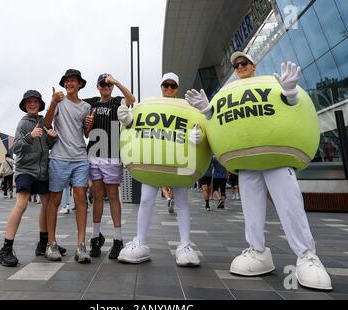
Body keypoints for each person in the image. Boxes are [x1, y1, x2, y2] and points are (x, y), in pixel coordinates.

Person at [185, 52, 332, 290]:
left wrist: (291, 92)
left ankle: (307, 255)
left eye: (244, 63)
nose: (240, 67)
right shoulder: (227, 94)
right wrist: (207, 112)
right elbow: (219, 122)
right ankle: (257, 250)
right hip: (246, 161)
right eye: (236, 65)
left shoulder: (271, 84)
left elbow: (290, 105)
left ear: (254, 65)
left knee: (289, 205)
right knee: (250, 207)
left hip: (276, 156)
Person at [116, 72, 202, 267]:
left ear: (177, 88)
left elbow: (200, 125)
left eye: (172, 86)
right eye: (166, 85)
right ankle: (141, 241)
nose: (169, 89)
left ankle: (185, 244)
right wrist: (127, 121)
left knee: (182, 202)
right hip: (152, 163)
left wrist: (199, 134)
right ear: (161, 86)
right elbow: (137, 127)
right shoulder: (149, 106)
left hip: (180, 162)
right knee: (146, 200)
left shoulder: (187, 108)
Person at [0, 90, 63, 267]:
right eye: (29, 102)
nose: (33, 104)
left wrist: (52, 139)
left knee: (47, 203)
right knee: (22, 203)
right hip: (26, 169)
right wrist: (29, 136)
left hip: (42, 170)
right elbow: (15, 149)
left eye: (36, 101)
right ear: (25, 105)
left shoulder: (43, 121)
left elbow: (46, 146)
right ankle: (6, 249)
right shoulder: (23, 123)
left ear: (40, 104)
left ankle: (43, 244)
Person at [44, 69, 94, 263]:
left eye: (73, 81)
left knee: (81, 197)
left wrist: (89, 124)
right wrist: (53, 103)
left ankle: (81, 245)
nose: (69, 84)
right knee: (55, 199)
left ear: (80, 84)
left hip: (80, 157)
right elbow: (48, 124)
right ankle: (51, 243)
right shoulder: (59, 101)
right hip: (59, 157)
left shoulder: (86, 107)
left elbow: (86, 133)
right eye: (67, 81)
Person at [84, 73, 135, 259]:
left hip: (112, 154)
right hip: (94, 154)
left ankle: (118, 238)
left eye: (108, 85)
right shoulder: (92, 103)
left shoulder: (118, 101)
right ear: (97, 87)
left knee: (113, 195)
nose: (106, 87)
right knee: (97, 196)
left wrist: (117, 82)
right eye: (103, 85)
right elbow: (86, 131)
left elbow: (132, 99)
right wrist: (87, 124)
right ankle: (95, 237)